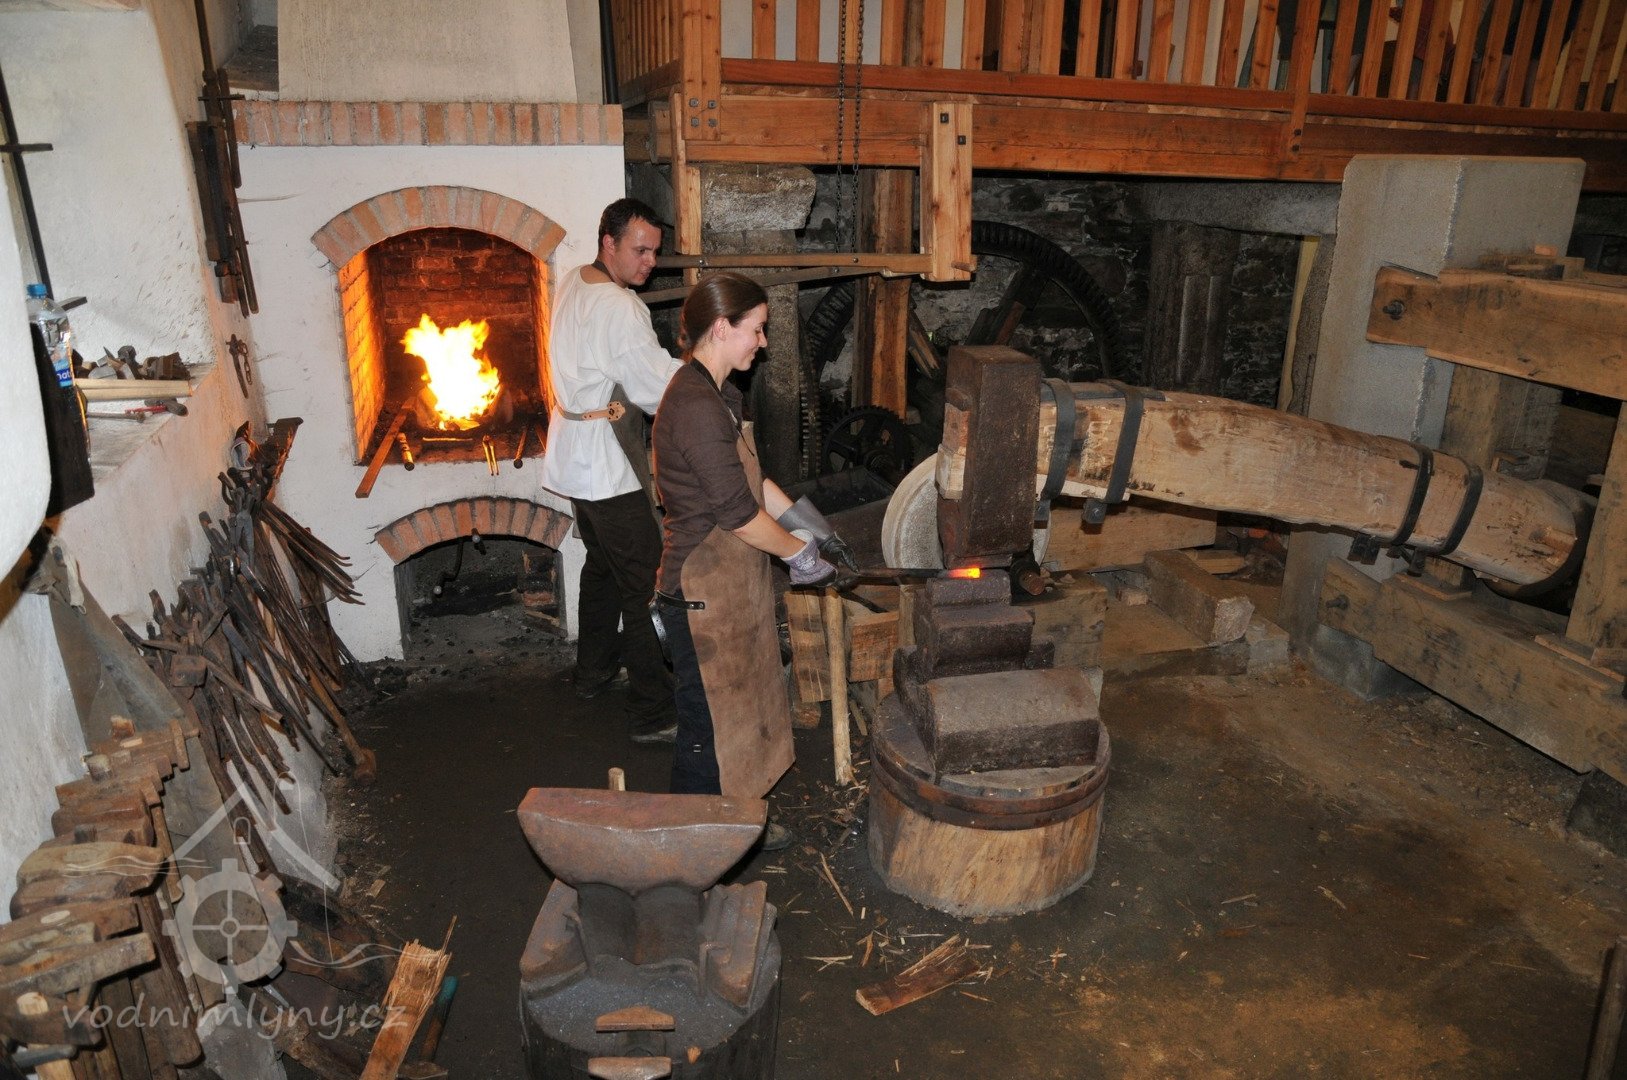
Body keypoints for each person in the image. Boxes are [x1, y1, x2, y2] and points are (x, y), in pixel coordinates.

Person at [650, 272, 855, 825]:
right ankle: (692, 842)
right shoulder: (693, 405)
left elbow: (752, 480)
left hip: (730, 586)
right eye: (757, 329)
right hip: (699, 591)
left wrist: (812, 527)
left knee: (741, 716)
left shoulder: (720, 393)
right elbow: (738, 515)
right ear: (722, 327)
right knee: (706, 729)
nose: (762, 343)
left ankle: (738, 824)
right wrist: (799, 556)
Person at [540, 198, 680, 744]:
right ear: (609, 243)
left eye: (655, 252)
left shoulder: (576, 278)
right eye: (640, 251)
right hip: (604, 464)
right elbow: (654, 388)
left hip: (574, 450)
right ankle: (654, 713)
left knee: (601, 566)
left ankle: (593, 672)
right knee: (645, 584)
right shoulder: (619, 308)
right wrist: (705, 375)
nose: (650, 263)